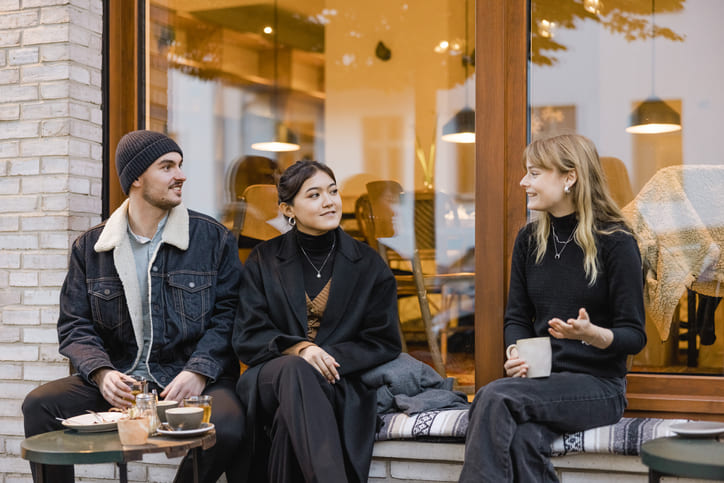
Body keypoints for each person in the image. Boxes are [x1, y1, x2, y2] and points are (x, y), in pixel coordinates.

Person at [22, 130, 245, 483]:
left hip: (188, 377)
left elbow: (230, 314)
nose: (181, 175)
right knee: (40, 405)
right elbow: (74, 325)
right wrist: (102, 373)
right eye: (167, 166)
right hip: (123, 378)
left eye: (180, 165)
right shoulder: (91, 247)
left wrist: (198, 371)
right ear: (137, 178)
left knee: (229, 426)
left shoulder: (212, 238)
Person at [459, 134, 647, 482]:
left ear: (569, 178)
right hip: (541, 384)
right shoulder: (529, 240)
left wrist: (594, 335)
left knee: (493, 396)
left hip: (599, 387)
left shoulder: (616, 242)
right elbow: (516, 315)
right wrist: (515, 350)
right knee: (522, 440)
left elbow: (634, 336)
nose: (523, 182)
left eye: (534, 173)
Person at [232, 160, 402, 482]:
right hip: (268, 379)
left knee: (289, 421)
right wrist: (300, 349)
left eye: (333, 191)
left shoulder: (368, 264)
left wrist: (325, 360)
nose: (329, 201)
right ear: (288, 208)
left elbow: (383, 340)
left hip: (337, 382)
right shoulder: (264, 259)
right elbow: (247, 335)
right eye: (314, 195)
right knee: (296, 369)